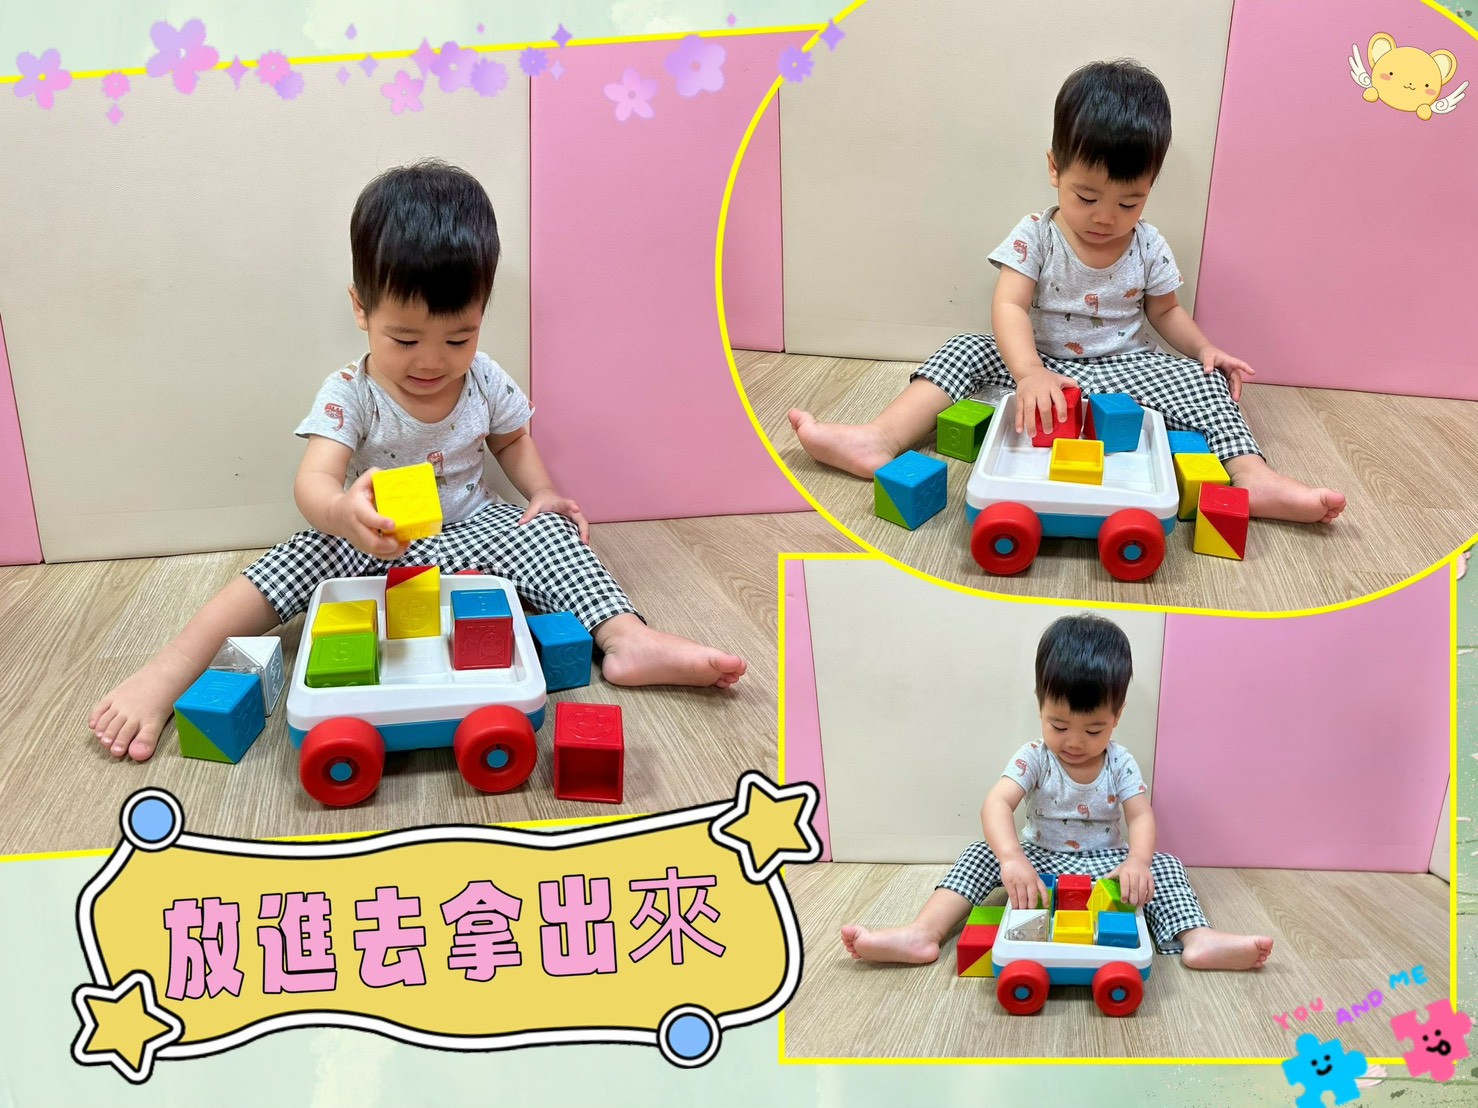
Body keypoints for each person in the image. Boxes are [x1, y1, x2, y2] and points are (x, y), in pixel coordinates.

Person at [91, 160, 746, 762]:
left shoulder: (484, 378)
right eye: (404, 339)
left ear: (481, 315)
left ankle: (627, 638)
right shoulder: (351, 392)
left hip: (475, 526)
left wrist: (542, 491)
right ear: (361, 309)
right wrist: (343, 513)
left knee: (552, 531)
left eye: (458, 338)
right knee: (279, 569)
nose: (432, 361)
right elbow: (315, 478)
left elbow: (511, 440)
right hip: (375, 538)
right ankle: (170, 669)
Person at [790, 59, 1345, 526]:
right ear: (1055, 169)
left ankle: (1252, 476)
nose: (1106, 217)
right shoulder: (1036, 234)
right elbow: (1009, 305)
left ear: (1150, 187)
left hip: (1128, 369)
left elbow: (1167, 311)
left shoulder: (1148, 245)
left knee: (1206, 382)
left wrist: (1204, 349)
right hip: (1042, 365)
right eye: (1087, 197)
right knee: (964, 349)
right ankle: (879, 438)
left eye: (1129, 202)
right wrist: (1029, 372)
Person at [841, 613, 1273, 971]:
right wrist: (1011, 858)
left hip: (1105, 864)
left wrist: (1138, 862)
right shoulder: (1035, 757)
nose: (1075, 742)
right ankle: (922, 933)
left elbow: (1140, 815)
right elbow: (997, 803)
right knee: (978, 854)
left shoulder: (1120, 762)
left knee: (1166, 864)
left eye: (1094, 730)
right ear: (1040, 706)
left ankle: (1197, 938)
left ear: (1117, 716)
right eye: (1059, 725)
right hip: (1039, 857)